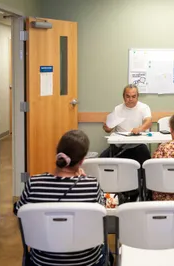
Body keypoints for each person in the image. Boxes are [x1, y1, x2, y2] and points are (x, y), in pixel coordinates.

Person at [14, 130, 113, 266]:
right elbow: (101, 212)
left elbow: (18, 211)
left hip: (43, 261)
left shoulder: (34, 183)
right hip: (87, 261)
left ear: (58, 154)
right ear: (83, 160)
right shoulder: (91, 184)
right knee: (107, 250)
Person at [100, 84, 152, 202]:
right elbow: (108, 128)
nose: (130, 99)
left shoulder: (143, 108)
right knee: (102, 159)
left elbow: (148, 122)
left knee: (147, 164)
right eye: (128, 96)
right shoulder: (118, 109)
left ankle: (144, 193)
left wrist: (140, 128)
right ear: (123, 97)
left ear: (138, 97)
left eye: (133, 96)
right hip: (120, 146)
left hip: (137, 145)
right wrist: (107, 127)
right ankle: (110, 196)